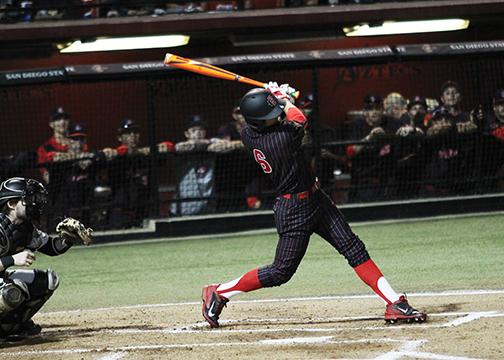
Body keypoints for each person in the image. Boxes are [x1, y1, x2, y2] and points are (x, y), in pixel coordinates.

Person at [201, 85, 427, 329]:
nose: (274, 117)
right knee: (280, 272)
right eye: (269, 115)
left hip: (316, 199)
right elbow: (298, 118)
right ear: (257, 121)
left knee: (354, 248)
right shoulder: (280, 139)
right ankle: (219, 292)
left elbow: (280, 113)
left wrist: (275, 97)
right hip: (294, 210)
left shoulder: (249, 132)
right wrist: (283, 99)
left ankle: (394, 301)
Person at [0, 177, 91, 341]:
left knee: (48, 280)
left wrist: (68, 239)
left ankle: (12, 326)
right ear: (11, 204)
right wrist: (12, 260)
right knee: (9, 292)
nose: (35, 203)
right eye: (28, 199)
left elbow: (52, 247)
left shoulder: (25, 229)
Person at [108, 119, 173, 228]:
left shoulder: (146, 156)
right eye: (128, 133)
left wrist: (145, 151)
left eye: (135, 132)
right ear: (120, 137)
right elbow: (109, 155)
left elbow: (168, 146)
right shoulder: (116, 158)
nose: (132, 136)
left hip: (144, 209)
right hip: (122, 211)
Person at [345, 95, 401, 202]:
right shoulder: (357, 126)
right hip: (364, 180)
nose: (374, 112)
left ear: (382, 110)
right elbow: (350, 152)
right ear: (365, 112)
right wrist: (369, 137)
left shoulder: (391, 123)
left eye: (377, 108)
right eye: (370, 109)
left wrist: (410, 129)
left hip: (387, 179)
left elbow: (407, 130)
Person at [171, 115, 215, 216]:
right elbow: (179, 147)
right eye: (194, 130)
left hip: (207, 206)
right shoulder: (182, 149)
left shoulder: (211, 146)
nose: (198, 133)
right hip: (184, 208)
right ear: (187, 134)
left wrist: (209, 143)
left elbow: (223, 143)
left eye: (201, 130)